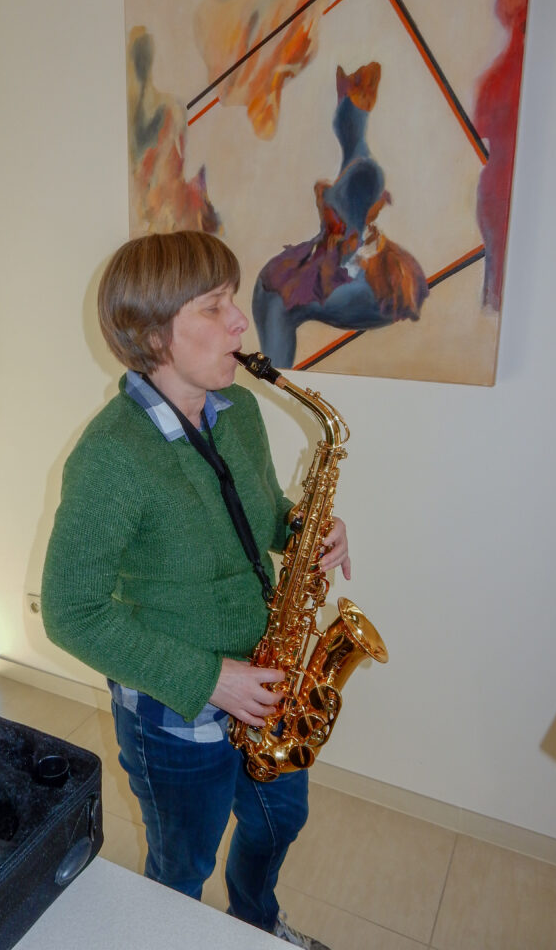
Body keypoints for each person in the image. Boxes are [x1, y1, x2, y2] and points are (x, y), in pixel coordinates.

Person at [41, 231, 350, 949]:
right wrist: (212, 679)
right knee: (182, 866)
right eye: (214, 307)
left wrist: (308, 528)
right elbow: (70, 611)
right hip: (175, 711)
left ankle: (255, 923)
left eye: (232, 300)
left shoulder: (236, 411)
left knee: (281, 820)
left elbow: (260, 515)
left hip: (267, 678)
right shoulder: (110, 457)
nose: (241, 322)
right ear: (153, 335)